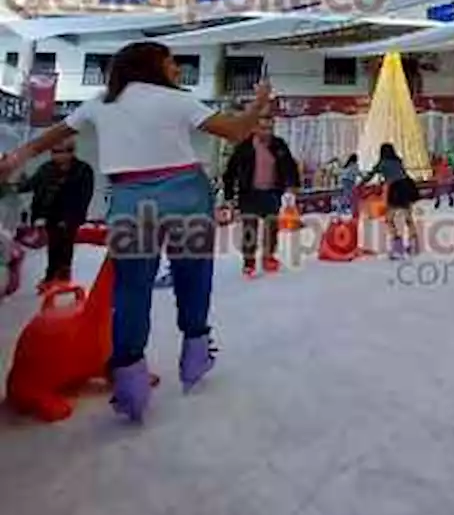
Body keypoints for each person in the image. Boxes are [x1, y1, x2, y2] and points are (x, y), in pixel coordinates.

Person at [0, 41, 271, 422]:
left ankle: (130, 383)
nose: (177, 70)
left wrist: (14, 159)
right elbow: (236, 131)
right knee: (192, 276)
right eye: (172, 62)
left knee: (131, 287)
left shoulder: (101, 102)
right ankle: (195, 353)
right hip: (186, 195)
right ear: (152, 65)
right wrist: (258, 104)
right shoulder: (176, 100)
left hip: (130, 198)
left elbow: (50, 136)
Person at [11, 135, 95, 292]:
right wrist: (15, 186)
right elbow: (31, 184)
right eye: (55, 152)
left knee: (66, 247)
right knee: (53, 246)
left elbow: (84, 197)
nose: (59, 155)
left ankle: (63, 278)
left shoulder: (83, 170)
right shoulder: (46, 168)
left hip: (70, 216)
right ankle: (50, 277)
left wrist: (71, 217)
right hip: (49, 214)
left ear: (72, 152)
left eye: (63, 151)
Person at [222, 115, 300, 279]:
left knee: (272, 227)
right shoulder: (245, 147)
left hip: (271, 192)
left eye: (270, 128)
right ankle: (249, 263)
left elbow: (290, 166)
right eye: (263, 128)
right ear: (255, 129)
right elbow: (230, 172)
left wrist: (292, 187)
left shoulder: (279, 145)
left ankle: (268, 256)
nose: (267, 132)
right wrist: (229, 195)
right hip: (249, 194)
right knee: (250, 229)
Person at [360, 143, 420, 258]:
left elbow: (370, 175)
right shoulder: (398, 161)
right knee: (408, 217)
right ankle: (414, 245)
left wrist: (360, 183)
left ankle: (397, 246)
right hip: (407, 186)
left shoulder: (383, 163)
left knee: (389, 219)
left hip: (396, 189)